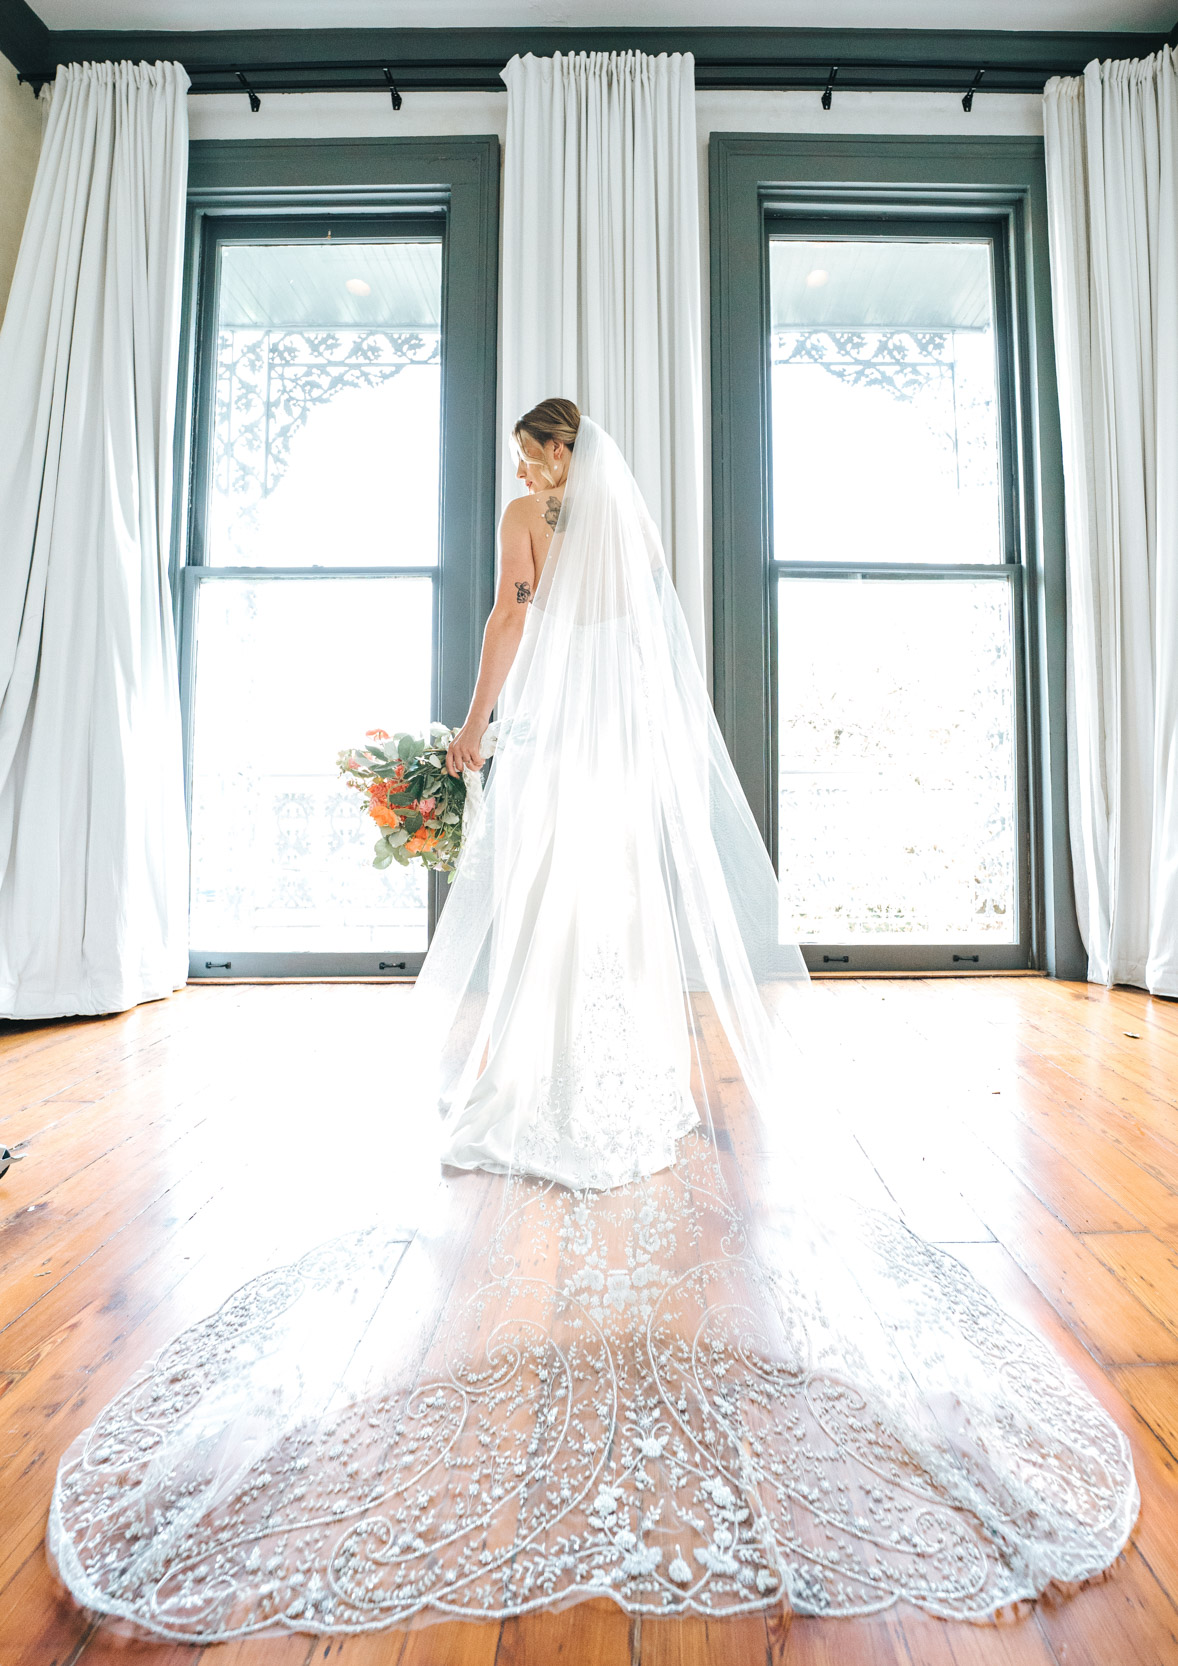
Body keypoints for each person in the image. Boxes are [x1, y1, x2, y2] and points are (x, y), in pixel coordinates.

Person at [47, 402, 1138, 1642]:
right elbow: (645, 657)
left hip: (560, 753)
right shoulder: (628, 529)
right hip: (620, 767)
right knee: (610, 923)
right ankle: (622, 1088)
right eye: (523, 456)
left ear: (559, 455)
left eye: (532, 451)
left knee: (550, 919)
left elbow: (510, 620)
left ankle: (545, 1088)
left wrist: (471, 729)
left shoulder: (531, 525)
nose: (521, 469)